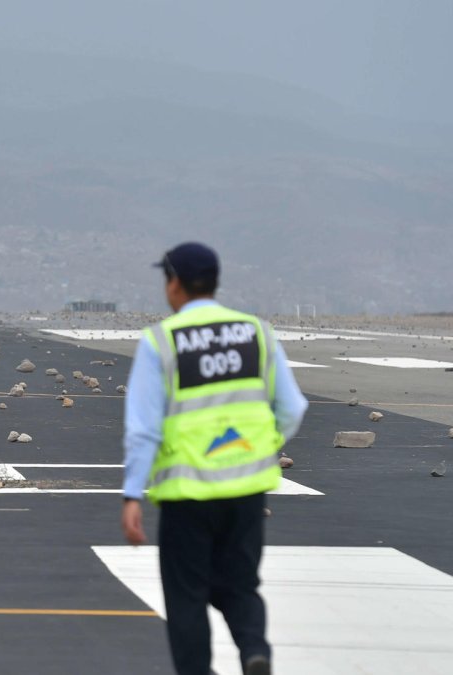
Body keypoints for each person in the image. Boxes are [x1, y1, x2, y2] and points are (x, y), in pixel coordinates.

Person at [120, 242, 308, 675]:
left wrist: (132, 494)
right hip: (246, 490)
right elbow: (293, 407)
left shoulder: (161, 342)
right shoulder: (256, 332)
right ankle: (254, 650)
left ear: (175, 283)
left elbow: (144, 428)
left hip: (188, 495)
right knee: (241, 586)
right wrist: (267, 443)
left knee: (186, 597)